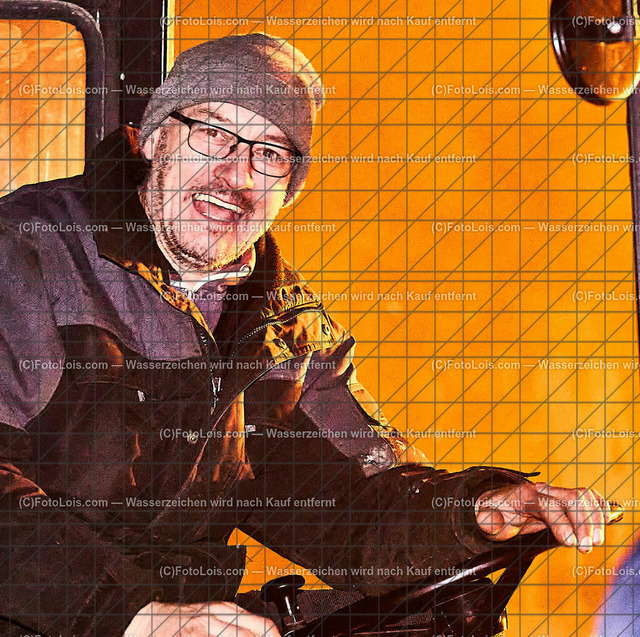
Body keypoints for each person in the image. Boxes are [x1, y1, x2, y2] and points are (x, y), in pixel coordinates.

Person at [0, 33, 612, 637]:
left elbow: (351, 504)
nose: (235, 174)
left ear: (289, 187)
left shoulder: (282, 328)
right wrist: (132, 615)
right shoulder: (27, 253)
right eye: (212, 133)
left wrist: (478, 510)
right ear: (156, 138)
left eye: (270, 153)